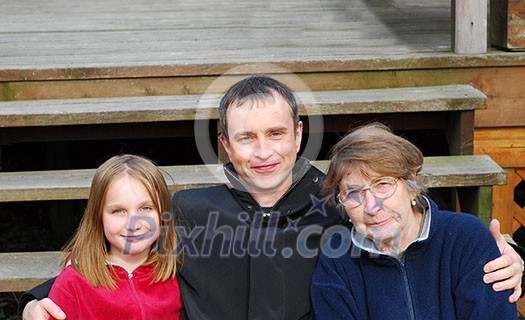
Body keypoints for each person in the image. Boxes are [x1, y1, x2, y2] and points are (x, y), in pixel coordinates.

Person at [19, 76, 524, 320]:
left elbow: (416, 232)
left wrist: (513, 259)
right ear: (226, 146)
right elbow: (111, 255)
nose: (264, 152)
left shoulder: (340, 208)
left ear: (299, 135)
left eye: (276, 133)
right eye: (246, 137)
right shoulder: (191, 214)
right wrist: (38, 302)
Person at [310, 123, 517, 319]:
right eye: (353, 193)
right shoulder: (337, 258)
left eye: (383, 184)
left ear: (411, 184)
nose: (371, 207)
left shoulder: (464, 238)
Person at [48, 154, 182, 319]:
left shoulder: (179, 272)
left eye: (146, 208)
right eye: (118, 211)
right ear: (99, 217)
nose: (134, 224)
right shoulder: (73, 282)